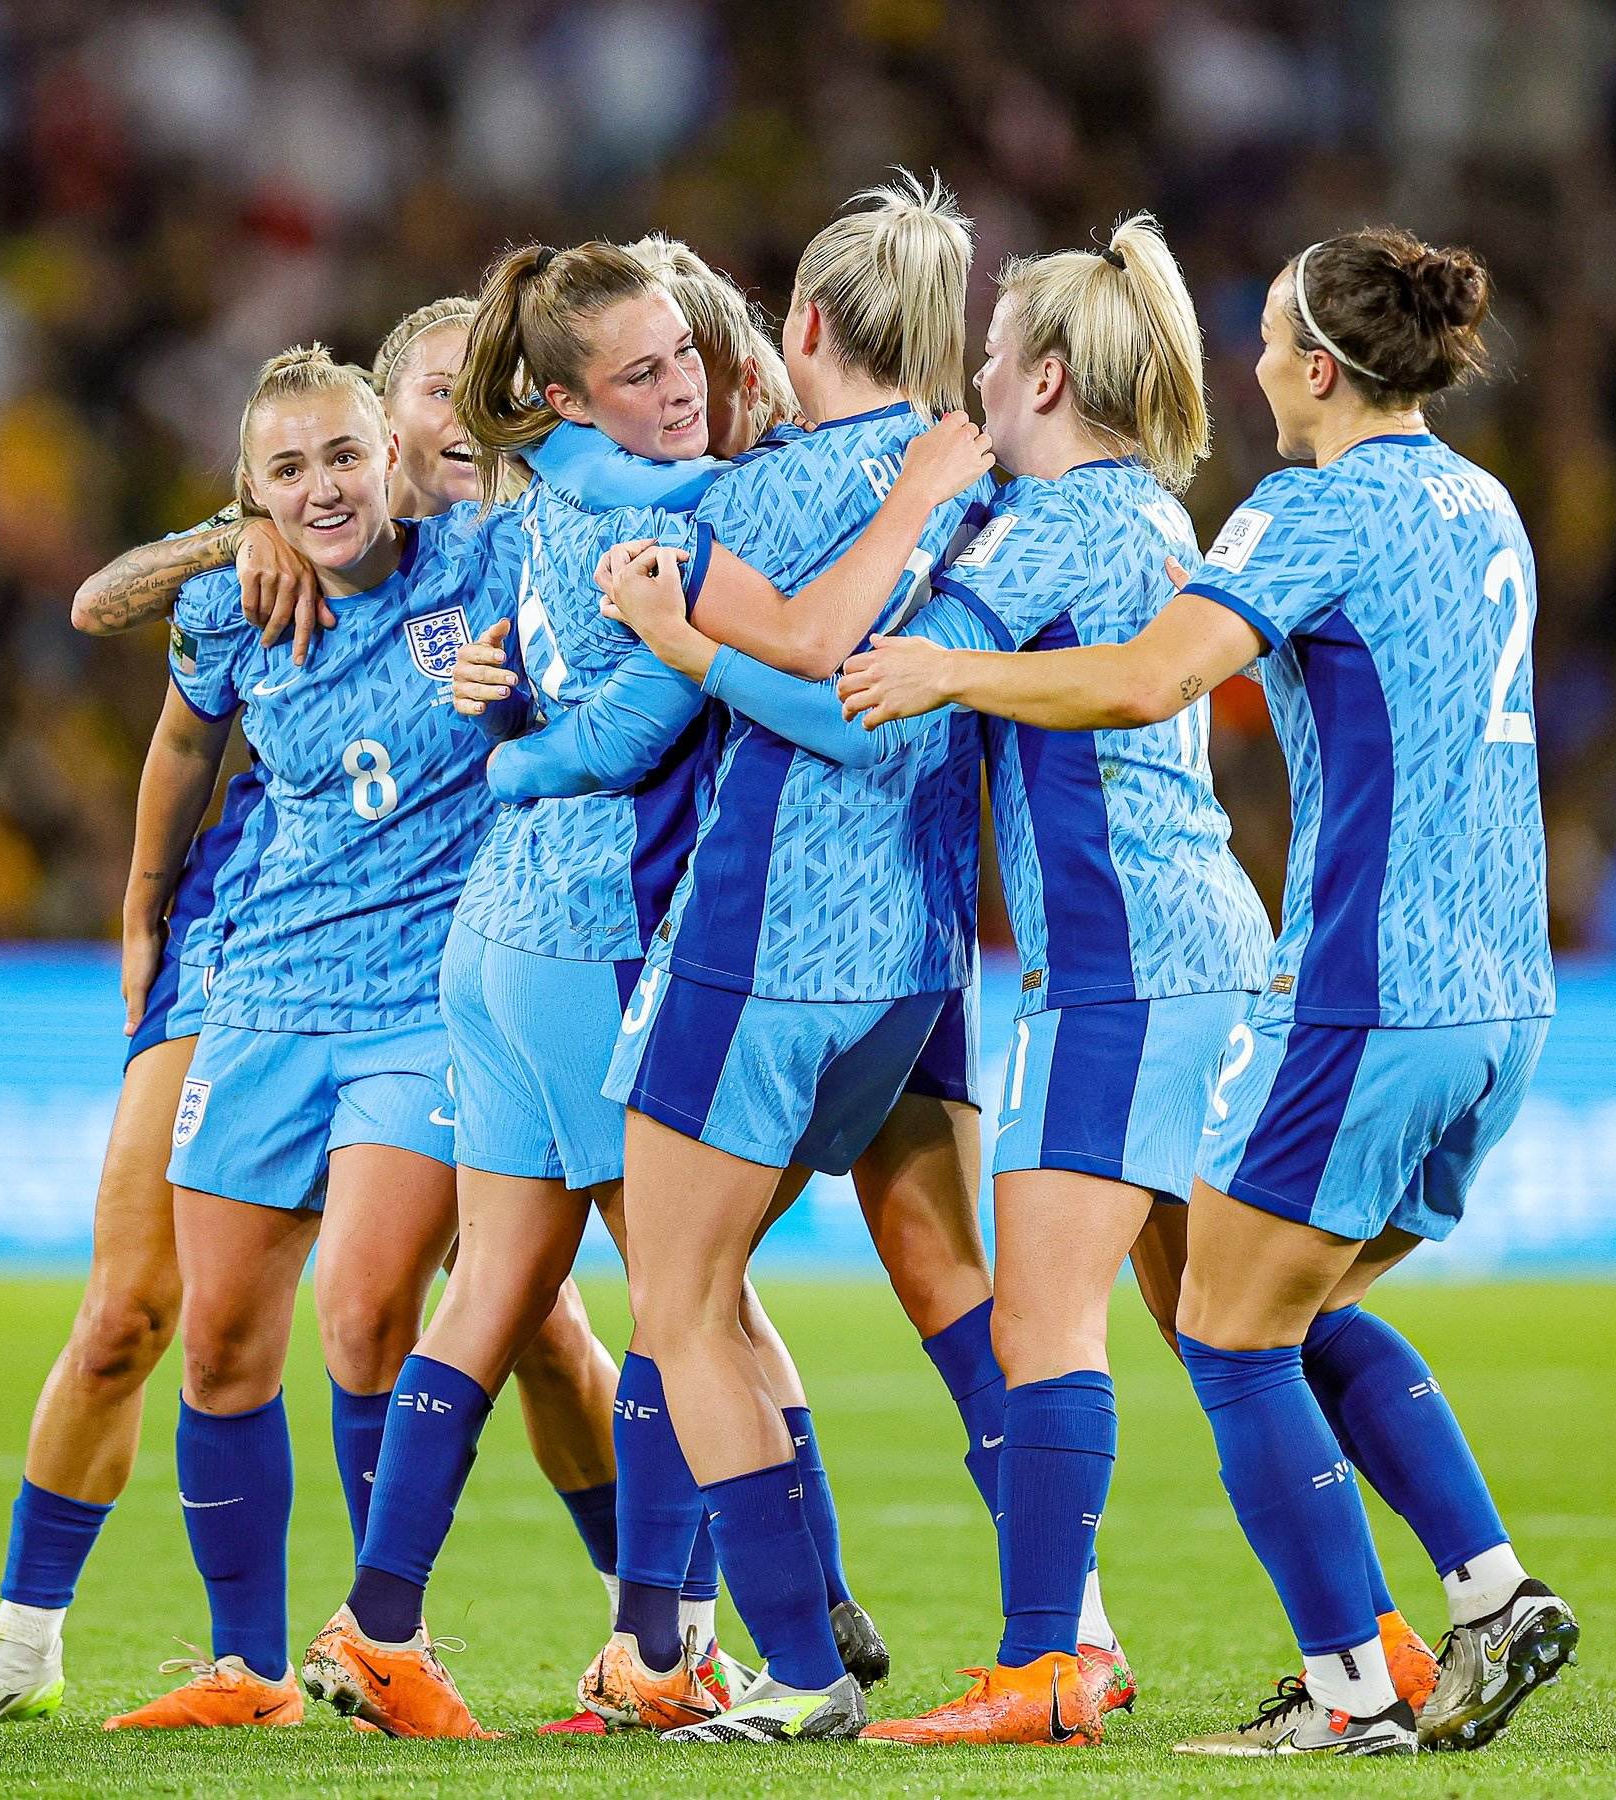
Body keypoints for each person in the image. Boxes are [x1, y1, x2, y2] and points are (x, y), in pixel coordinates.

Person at [836, 227, 1579, 1757]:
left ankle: (1259, 1682)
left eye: (1267, 338)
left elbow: (1147, 675)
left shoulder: (1306, 508)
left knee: (1197, 1336)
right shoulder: (1480, 500)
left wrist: (941, 668)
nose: (1246, 363)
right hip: (1498, 987)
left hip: (1345, 985)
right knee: (1256, 1316)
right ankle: (1460, 1603)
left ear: (1319, 367)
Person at [295, 236, 977, 1741]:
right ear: (566, 395)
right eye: (646, 371)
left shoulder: (548, 485)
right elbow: (704, 687)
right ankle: (672, 1651)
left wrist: (511, 722)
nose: (685, 389)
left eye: (688, 356)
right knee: (686, 1303)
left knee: (497, 1293)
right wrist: (528, 748)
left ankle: (378, 1628)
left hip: (499, 931)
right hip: (597, 933)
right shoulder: (659, 524)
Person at [509, 175, 999, 1748]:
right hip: (925, 957)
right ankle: (1055, 1624)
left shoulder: (743, 506)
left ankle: (776, 1664)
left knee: (679, 1301)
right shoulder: (990, 485)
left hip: (763, 944)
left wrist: (542, 739)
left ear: (797, 328)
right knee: (918, 1284)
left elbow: (802, 675)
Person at [91, 344, 525, 1728]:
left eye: (344, 455)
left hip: (421, 1006)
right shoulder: (231, 604)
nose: (325, 487)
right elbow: (160, 716)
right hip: (266, 998)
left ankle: (387, 1637)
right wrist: (146, 900)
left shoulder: (480, 563)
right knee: (219, 1342)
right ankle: (248, 1668)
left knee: (365, 1314)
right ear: (252, 491)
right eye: (287, 470)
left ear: (391, 457)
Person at [0, 595, 264, 1729]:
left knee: (526, 1321)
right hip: (238, 935)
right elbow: (103, 601)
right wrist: (144, 900)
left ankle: (662, 1640)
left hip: (418, 949)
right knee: (123, 1318)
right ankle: (21, 1645)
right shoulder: (268, 548)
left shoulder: (506, 537)